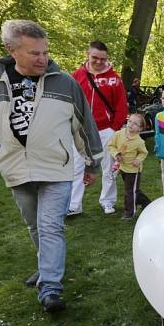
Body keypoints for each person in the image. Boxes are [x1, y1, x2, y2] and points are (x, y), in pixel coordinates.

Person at [0, 19, 103, 313]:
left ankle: (50, 286)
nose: (43, 59)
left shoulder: (65, 82)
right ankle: (46, 267)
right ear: (11, 50)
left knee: (51, 226)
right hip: (15, 168)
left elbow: (84, 125)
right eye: (34, 53)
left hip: (56, 167)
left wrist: (92, 162)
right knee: (34, 225)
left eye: (45, 52)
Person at [68, 40, 128, 216]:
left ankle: (107, 201)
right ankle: (73, 205)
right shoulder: (76, 76)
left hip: (106, 130)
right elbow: (69, 102)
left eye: (103, 58)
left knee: (109, 167)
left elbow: (121, 105)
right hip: (81, 131)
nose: (99, 61)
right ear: (88, 54)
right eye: (95, 57)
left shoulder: (114, 79)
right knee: (77, 166)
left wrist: (114, 128)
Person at [107, 113, 151, 220]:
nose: (131, 124)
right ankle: (147, 203)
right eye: (130, 121)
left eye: (135, 124)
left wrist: (138, 159)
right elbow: (110, 146)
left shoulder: (139, 141)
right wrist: (116, 154)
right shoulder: (119, 134)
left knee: (129, 191)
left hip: (134, 170)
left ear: (140, 128)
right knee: (132, 190)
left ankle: (129, 212)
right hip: (123, 168)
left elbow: (143, 153)